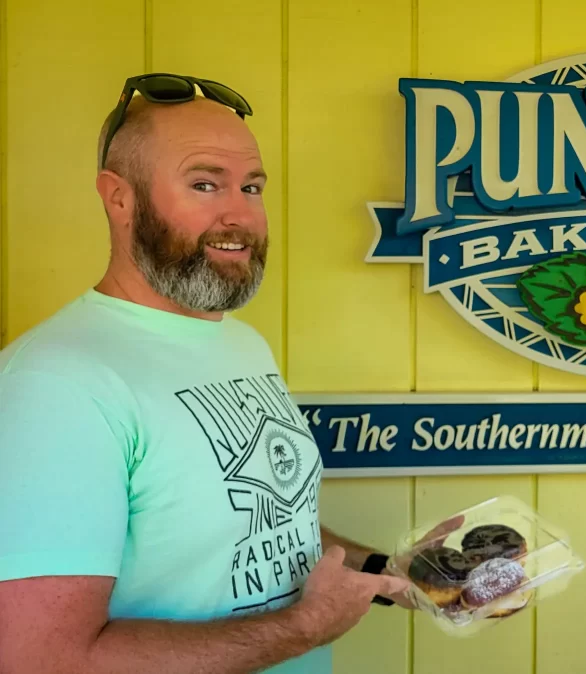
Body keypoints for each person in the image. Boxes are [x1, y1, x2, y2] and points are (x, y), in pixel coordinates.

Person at [0, 73, 455, 674]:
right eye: (205, 183)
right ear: (119, 197)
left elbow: (263, 524)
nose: (239, 214)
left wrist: (394, 574)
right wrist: (307, 627)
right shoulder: (55, 383)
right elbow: (41, 658)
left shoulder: (239, 343)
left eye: (252, 186)